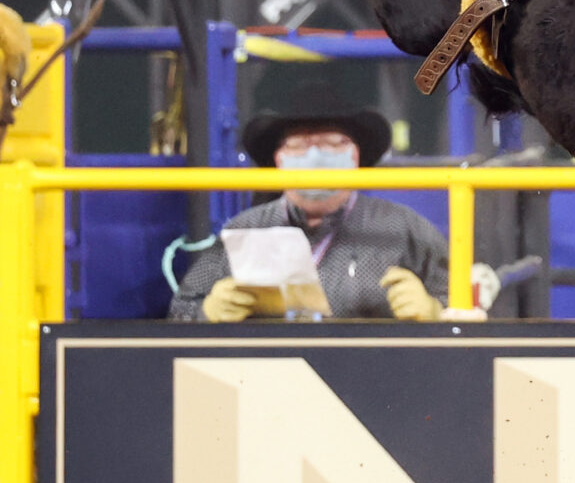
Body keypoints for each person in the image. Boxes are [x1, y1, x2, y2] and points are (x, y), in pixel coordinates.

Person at [169, 83, 453, 323]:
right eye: (299, 145)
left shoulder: (402, 228)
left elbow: (465, 308)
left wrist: (434, 312)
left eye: (332, 143)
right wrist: (207, 312)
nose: (315, 156)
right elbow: (181, 310)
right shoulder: (247, 230)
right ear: (278, 159)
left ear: (355, 157)